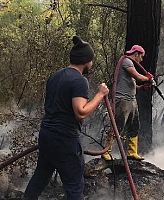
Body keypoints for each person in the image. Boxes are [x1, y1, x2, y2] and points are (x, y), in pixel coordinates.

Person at [23, 36, 109, 200]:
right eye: (91, 59)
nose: (92, 63)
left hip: (47, 136)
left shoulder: (55, 76)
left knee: (40, 178)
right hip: (65, 140)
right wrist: (100, 94)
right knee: (74, 188)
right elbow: (81, 112)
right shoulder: (79, 80)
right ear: (86, 61)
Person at [102, 45, 153, 161]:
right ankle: (106, 152)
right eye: (141, 57)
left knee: (134, 125)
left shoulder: (130, 64)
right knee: (117, 126)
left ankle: (132, 152)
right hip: (123, 101)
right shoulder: (126, 61)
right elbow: (138, 77)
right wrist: (148, 78)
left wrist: (140, 88)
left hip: (131, 100)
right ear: (136, 54)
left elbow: (131, 82)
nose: (141, 60)